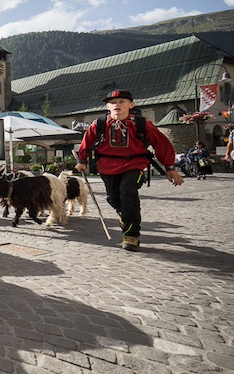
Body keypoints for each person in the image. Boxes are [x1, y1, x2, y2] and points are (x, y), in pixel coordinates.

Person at [75, 89, 183, 252]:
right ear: (107, 107)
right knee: (113, 198)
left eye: (122, 101)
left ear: (131, 105)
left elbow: (161, 143)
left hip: (134, 164)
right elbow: (87, 142)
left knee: (127, 193)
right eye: (112, 102)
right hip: (107, 166)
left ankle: (131, 235)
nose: (117, 105)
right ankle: (123, 215)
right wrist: (82, 160)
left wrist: (170, 167)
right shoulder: (100, 124)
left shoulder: (141, 124)